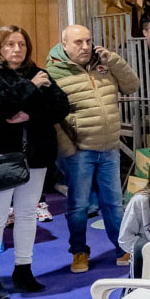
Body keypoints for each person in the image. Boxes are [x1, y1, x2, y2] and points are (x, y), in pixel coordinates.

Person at [0, 26, 71, 299]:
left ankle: (23, 269)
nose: (17, 49)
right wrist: (31, 87)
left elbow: (61, 106)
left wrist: (30, 114)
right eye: (10, 44)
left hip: (36, 155)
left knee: (28, 214)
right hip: (0, 157)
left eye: (22, 44)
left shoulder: (37, 72)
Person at [46, 25, 139, 273]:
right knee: (78, 206)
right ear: (64, 45)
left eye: (88, 41)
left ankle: (122, 248)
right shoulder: (53, 73)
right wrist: (68, 149)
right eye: (78, 42)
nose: (85, 46)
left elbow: (132, 85)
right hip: (79, 151)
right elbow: (52, 117)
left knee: (113, 204)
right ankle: (79, 251)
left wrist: (114, 61)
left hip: (109, 147)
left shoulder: (105, 64)